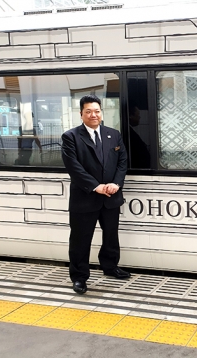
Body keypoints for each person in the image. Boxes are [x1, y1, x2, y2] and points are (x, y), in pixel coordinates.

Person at [61, 95, 129, 294]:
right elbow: (74, 168)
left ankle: (110, 267)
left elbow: (122, 162)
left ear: (102, 112)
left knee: (111, 236)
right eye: (88, 111)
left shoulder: (113, 134)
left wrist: (116, 183)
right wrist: (95, 186)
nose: (93, 115)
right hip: (85, 197)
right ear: (81, 113)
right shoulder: (71, 137)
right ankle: (79, 277)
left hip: (111, 196)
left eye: (97, 111)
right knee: (80, 240)